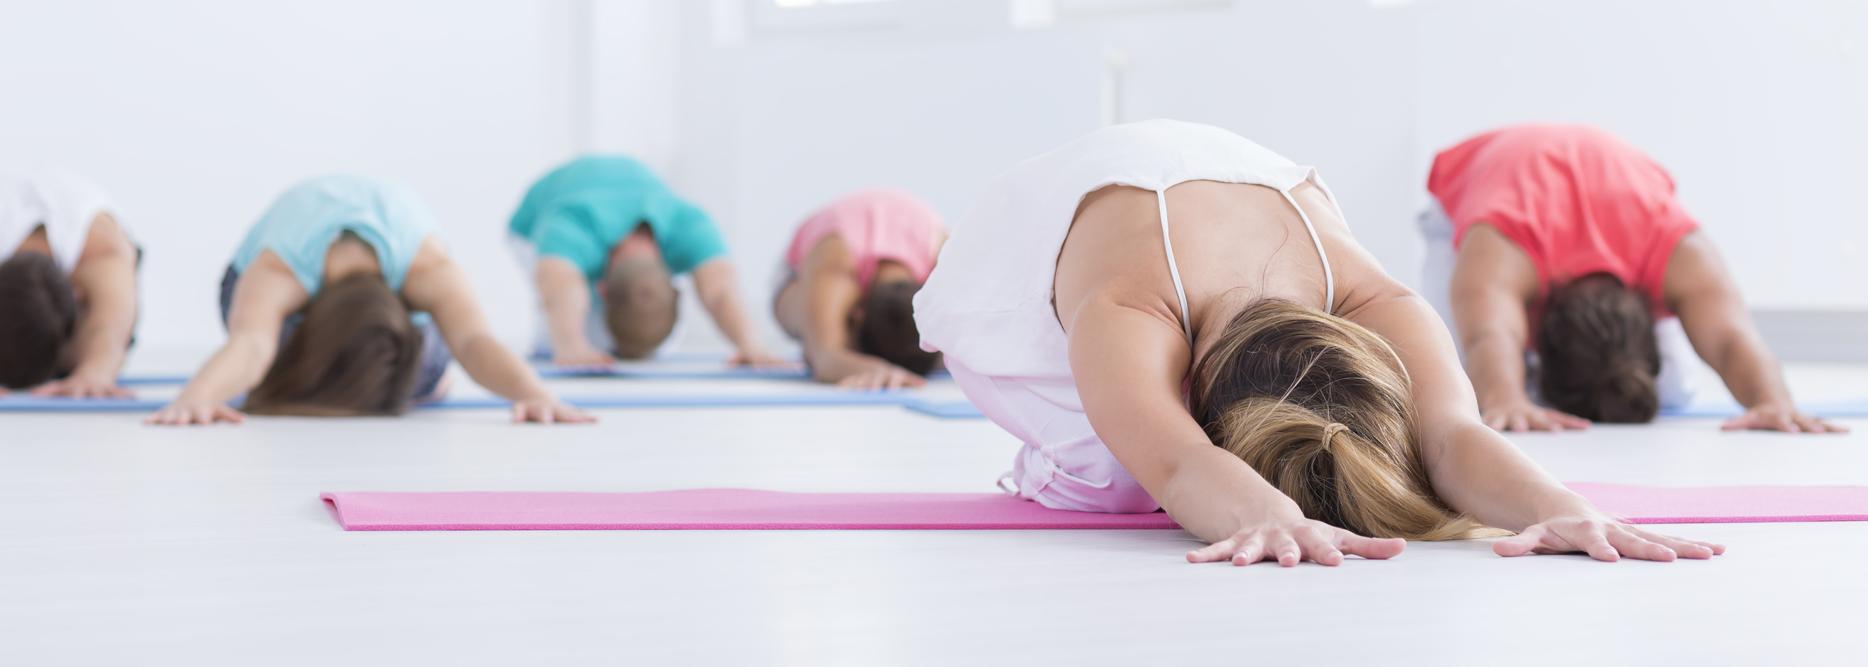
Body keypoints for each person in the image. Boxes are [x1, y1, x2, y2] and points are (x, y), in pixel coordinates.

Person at [916, 120, 1724, 566]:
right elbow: (1177, 460)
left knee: (1161, 458)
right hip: (1034, 233)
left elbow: (1451, 432)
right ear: (1197, 400)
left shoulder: (1377, 298)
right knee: (1117, 473)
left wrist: (1565, 509)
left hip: (1238, 175)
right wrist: (1271, 515)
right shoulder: (1129, 309)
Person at [1421, 123, 1842, 433]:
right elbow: (1488, 335)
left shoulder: (1675, 250)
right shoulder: (1502, 244)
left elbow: (1731, 336)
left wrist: (1772, 402)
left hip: (1616, 185)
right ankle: (1516, 384)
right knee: (1461, 372)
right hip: (1479, 175)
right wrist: (1505, 399)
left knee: (1669, 391)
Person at [148, 175, 590, 425]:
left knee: (427, 361)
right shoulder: (280, 270)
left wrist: (534, 393)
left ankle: (406, 371)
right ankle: (316, 366)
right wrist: (198, 396)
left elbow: (474, 341)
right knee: (260, 356)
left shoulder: (426, 268)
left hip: (393, 282)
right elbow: (252, 344)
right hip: (258, 281)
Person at [509, 156, 782, 366]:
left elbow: (720, 293)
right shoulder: (570, 228)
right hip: (532, 221)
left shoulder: (690, 227)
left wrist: (751, 345)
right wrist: (571, 347)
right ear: (600, 289)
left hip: (624, 199)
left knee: (654, 343)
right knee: (571, 332)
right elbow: (558, 285)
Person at [773, 188, 947, 389]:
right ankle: (821, 328)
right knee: (811, 328)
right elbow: (825, 358)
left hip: (913, 227)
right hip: (815, 256)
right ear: (857, 314)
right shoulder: (836, 261)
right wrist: (876, 369)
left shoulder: (942, 263)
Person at [0, 170, 139, 398]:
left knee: (91, 357)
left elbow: (109, 331)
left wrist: (95, 373)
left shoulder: (98, 244)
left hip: (103, 252)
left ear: (79, 294)